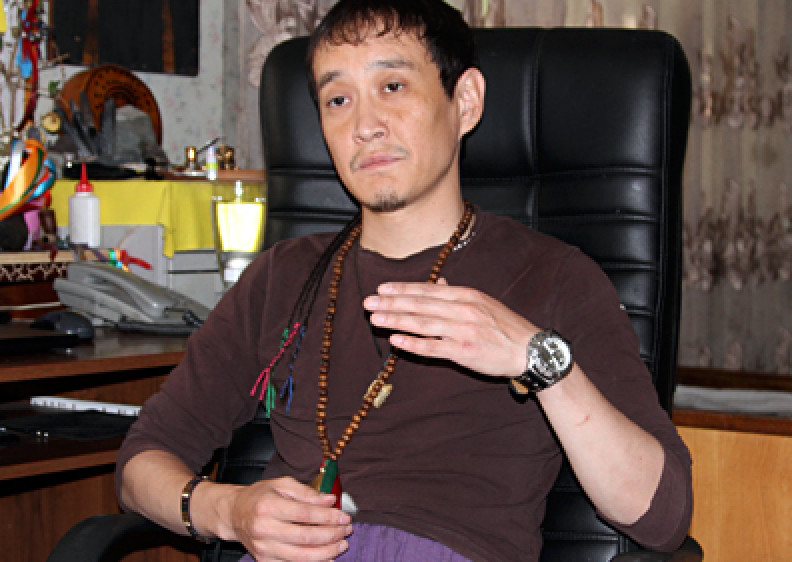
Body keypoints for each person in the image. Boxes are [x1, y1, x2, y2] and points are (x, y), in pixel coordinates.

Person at [116, 1, 694, 560]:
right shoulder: (281, 276)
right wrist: (227, 510)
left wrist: (536, 359)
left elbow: (661, 516)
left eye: (392, 86)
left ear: (465, 101)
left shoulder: (554, 277)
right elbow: (142, 462)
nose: (365, 126)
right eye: (338, 99)